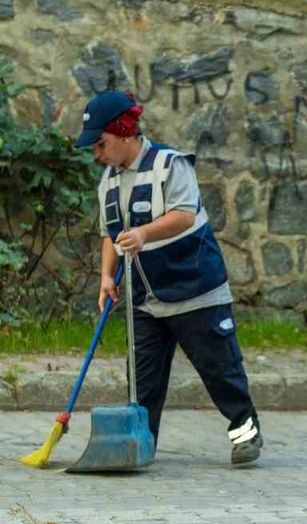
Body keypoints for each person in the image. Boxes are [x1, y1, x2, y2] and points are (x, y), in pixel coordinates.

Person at [73, 90, 263, 466]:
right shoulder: (108, 181)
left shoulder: (170, 165)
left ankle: (245, 431)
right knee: (142, 381)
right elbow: (109, 234)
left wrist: (143, 234)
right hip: (145, 297)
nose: (96, 154)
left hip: (194, 288)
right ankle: (140, 443)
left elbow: (185, 214)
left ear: (124, 131)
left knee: (219, 370)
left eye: (101, 143)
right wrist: (106, 277)